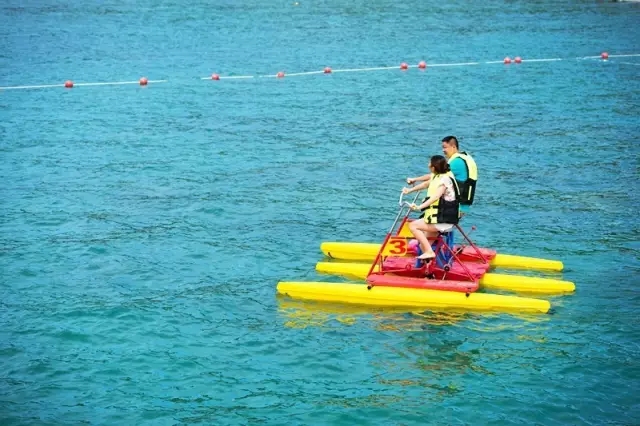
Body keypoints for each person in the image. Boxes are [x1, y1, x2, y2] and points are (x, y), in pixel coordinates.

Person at [402, 155, 460, 261]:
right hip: (437, 218)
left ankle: (430, 253)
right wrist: (409, 191)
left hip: (443, 220)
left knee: (413, 226)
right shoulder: (438, 175)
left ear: (434, 167)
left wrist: (419, 207)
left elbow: (436, 197)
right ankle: (430, 269)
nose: (428, 164)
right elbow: (425, 184)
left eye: (430, 163)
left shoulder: (445, 180)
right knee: (422, 246)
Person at [406, 136, 478, 217]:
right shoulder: (463, 157)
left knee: (423, 220)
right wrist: (415, 179)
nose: (443, 150)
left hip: (456, 206)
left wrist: (411, 188)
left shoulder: (456, 162)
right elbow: (435, 175)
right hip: (463, 204)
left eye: (445, 147)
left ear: (453, 147)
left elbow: (432, 177)